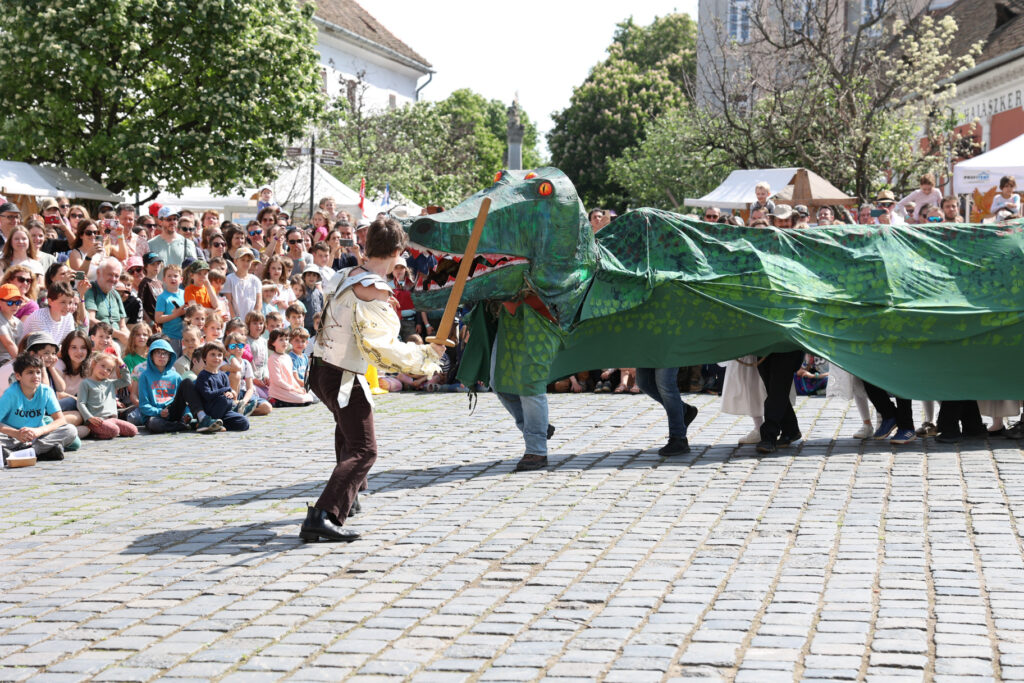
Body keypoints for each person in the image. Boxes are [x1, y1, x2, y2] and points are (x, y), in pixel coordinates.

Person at [304, 216, 444, 543]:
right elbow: (381, 348)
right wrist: (427, 357)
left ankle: (347, 499)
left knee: (346, 428)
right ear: (398, 251)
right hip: (341, 373)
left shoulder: (343, 274)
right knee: (364, 449)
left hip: (320, 369)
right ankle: (323, 514)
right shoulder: (376, 289)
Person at [0, 353, 78, 462]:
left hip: (37, 438)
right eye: (30, 372)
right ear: (18, 376)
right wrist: (16, 433)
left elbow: (60, 420)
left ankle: (21, 453)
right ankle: (41, 452)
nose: (36, 376)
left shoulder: (46, 391)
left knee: (70, 430)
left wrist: (38, 431)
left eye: (38, 372)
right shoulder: (10, 394)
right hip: (13, 438)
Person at [635, 367, 698, 456]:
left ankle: (679, 438)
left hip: (668, 353)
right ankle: (684, 410)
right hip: (646, 353)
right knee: (644, 383)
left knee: (666, 384)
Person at [77, 352, 138, 440]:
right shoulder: (85, 383)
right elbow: (81, 403)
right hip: (97, 421)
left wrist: (121, 364)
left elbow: (126, 381)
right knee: (114, 430)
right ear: (94, 364)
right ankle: (94, 432)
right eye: (102, 366)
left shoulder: (111, 383)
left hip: (112, 419)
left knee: (133, 430)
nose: (105, 370)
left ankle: (104, 432)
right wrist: (89, 417)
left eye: (109, 370)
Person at [755, 350, 805, 454]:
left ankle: (769, 436)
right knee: (773, 388)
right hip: (764, 345)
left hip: (786, 344)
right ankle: (790, 429)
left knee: (778, 387)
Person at [194, 341, 248, 432]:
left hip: (225, 412)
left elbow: (228, 391)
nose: (216, 358)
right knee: (222, 399)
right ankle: (208, 423)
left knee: (244, 422)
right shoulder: (203, 376)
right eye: (212, 355)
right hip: (210, 411)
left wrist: (230, 393)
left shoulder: (223, 375)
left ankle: (218, 425)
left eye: (219, 355)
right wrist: (225, 390)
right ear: (204, 357)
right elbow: (208, 395)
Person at [84, 260, 130, 345]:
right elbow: (90, 320)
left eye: (116, 276)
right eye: (110, 274)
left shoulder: (115, 294)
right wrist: (119, 335)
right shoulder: (90, 290)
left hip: (118, 341)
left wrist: (127, 337)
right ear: (98, 273)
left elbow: (123, 325)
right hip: (99, 342)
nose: (113, 279)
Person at [267, 328, 315, 406]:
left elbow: (291, 378)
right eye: (281, 340)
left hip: (289, 389)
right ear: (273, 343)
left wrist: (298, 389)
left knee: (309, 397)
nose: (285, 342)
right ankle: (275, 400)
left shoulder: (287, 357)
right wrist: (293, 389)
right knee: (303, 399)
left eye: (286, 339)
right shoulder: (273, 358)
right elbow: (277, 381)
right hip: (278, 391)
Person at [223, 247, 261, 319]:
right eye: (243, 260)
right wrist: (235, 320)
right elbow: (228, 302)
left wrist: (253, 320)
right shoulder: (229, 279)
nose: (246, 263)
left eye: (248, 261)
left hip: (251, 322)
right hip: (236, 321)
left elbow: (258, 303)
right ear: (235, 261)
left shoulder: (255, 280)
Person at [0, 283, 26, 366]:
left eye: (18, 302)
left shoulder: (19, 322)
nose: (14, 305)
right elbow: (9, 343)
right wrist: (23, 364)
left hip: (12, 360)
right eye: (10, 302)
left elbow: (21, 347)